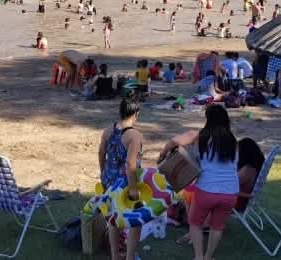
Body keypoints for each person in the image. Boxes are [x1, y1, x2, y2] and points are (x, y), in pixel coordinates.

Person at [159, 105, 239, 260]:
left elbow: (173, 142)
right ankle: (208, 257)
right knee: (217, 227)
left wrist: (162, 156)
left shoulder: (200, 136)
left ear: (208, 120)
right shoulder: (233, 142)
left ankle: (199, 256)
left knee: (195, 223)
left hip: (206, 189)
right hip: (231, 192)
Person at [98, 98, 143, 260]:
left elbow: (101, 153)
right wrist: (133, 188)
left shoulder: (107, 131)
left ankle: (115, 256)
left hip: (109, 180)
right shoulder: (134, 135)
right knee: (136, 221)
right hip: (124, 184)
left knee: (113, 219)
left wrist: (103, 172)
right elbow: (130, 164)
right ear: (136, 114)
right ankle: (129, 257)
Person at [235, 137, 265, 212]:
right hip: (241, 200)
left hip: (236, 202)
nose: (236, 153)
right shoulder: (254, 167)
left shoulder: (247, 169)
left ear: (243, 153)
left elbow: (229, 186)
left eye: (238, 151)